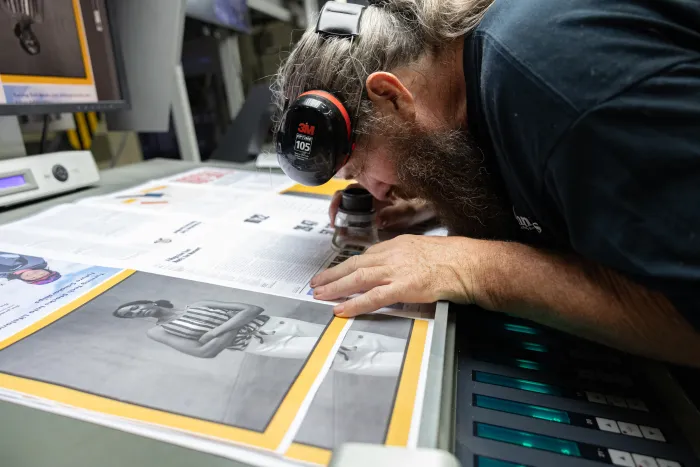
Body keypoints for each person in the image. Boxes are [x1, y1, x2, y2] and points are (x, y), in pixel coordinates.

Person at [273, 0, 700, 366]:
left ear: (391, 96)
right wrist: (439, 197)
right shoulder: (471, 72)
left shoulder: (556, 88)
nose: (375, 191)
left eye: (360, 167)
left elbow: (687, 316)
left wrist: (473, 268)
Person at [112, 298, 405, 375]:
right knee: (347, 358)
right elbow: (204, 353)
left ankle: (422, 355)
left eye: (134, 306)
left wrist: (215, 332)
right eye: (129, 315)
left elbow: (253, 307)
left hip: (276, 322)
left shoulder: (196, 305)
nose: (136, 312)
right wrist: (235, 325)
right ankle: (415, 373)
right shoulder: (158, 331)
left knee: (360, 341)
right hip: (260, 342)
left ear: (148, 301)